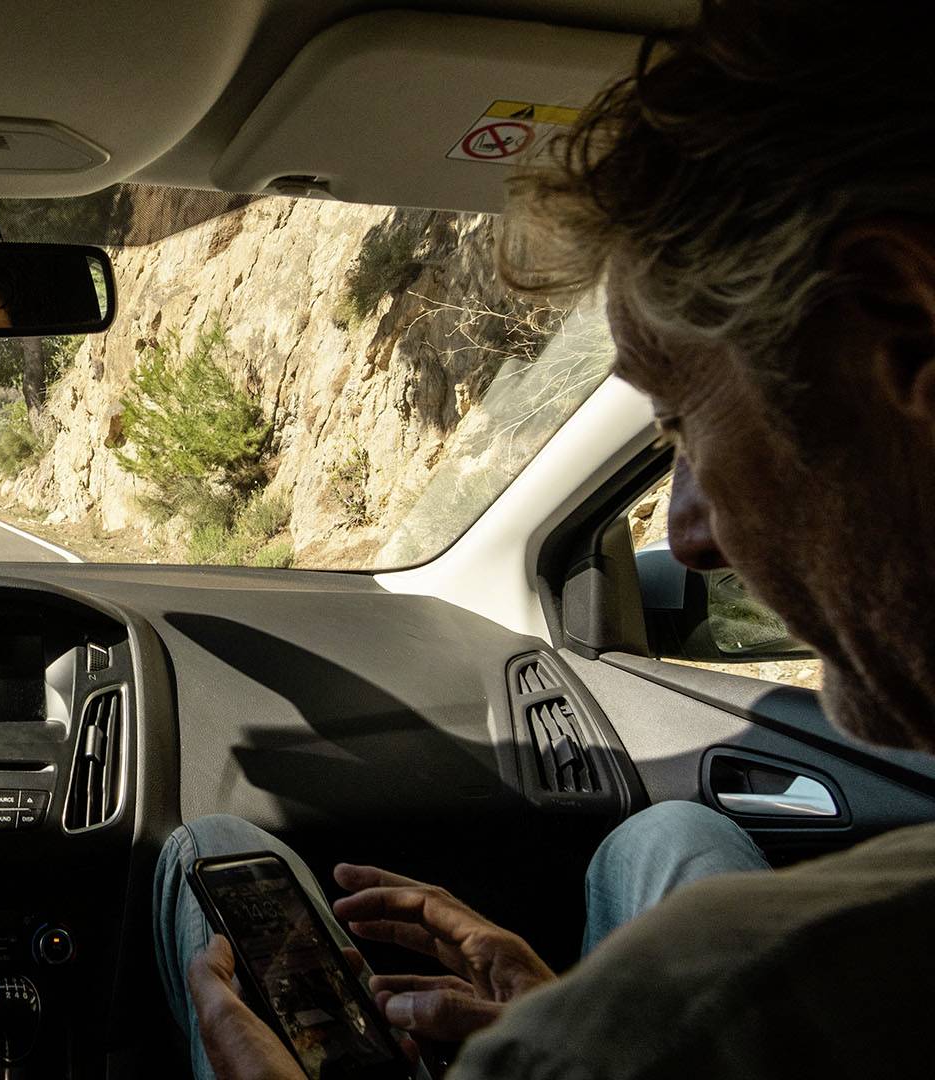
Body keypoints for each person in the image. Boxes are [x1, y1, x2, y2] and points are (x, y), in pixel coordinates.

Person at [158, 0, 935, 1077]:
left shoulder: (729, 1001)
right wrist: (563, 1017)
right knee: (664, 836)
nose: (688, 533)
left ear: (899, 320)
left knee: (209, 851)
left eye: (685, 423)